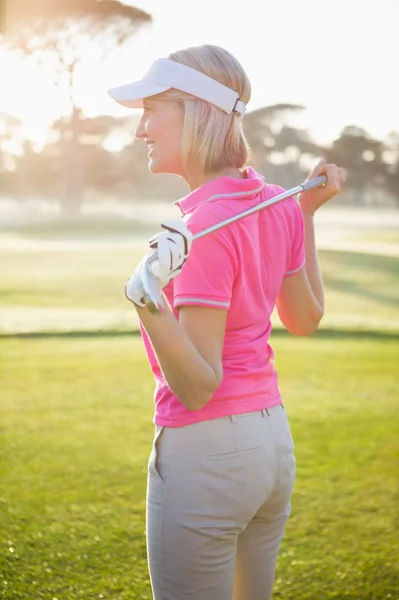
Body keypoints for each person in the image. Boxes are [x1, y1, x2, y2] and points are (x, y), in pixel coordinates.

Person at [108, 44, 345, 600]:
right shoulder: (271, 201)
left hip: (207, 455)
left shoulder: (204, 228)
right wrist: (304, 215)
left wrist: (147, 297)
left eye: (151, 111)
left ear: (193, 112)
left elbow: (198, 386)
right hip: (270, 447)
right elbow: (307, 318)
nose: (142, 129)